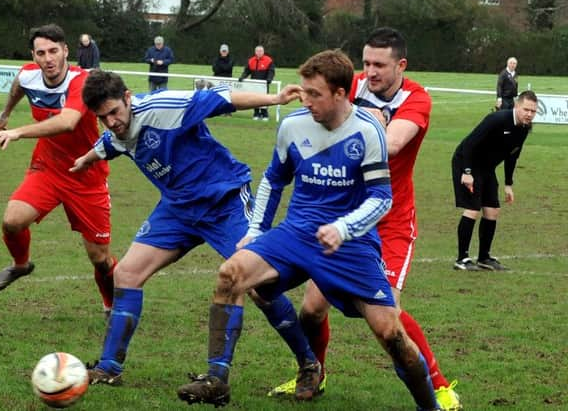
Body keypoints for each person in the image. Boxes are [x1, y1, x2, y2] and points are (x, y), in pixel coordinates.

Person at [177, 49, 441, 411]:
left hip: (351, 245)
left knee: (390, 332)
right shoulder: (293, 125)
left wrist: (344, 228)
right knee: (231, 274)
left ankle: (430, 406)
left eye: (314, 93)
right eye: (303, 91)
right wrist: (256, 231)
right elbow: (273, 180)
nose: (306, 99)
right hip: (297, 233)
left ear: (340, 94)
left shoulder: (368, 131)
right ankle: (216, 380)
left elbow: (382, 199)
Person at [266, 27, 462, 410]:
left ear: (400, 65)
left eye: (379, 65)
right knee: (311, 310)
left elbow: (391, 144)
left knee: (390, 317)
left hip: (389, 220)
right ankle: (313, 373)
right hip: (343, 219)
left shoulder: (416, 99)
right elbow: (319, 107)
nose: (369, 72)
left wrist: (366, 120)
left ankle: (437, 387)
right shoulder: (352, 86)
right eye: (366, 63)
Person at [71, 69, 303, 386]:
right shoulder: (116, 131)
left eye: (114, 112)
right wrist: (86, 159)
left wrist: (274, 98)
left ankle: (308, 364)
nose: (111, 121)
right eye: (103, 117)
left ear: (128, 98)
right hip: (178, 210)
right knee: (126, 274)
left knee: (258, 287)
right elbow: (110, 144)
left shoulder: (164, 106)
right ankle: (109, 368)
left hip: (224, 201)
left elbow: (223, 98)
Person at [0, 24, 117, 316]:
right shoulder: (28, 72)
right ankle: (21, 265)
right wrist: (5, 112)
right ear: (34, 55)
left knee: (99, 257)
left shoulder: (81, 81)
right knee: (12, 221)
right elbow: (20, 83)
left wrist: (18, 132)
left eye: (54, 51)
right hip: (48, 168)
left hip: (87, 174)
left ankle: (111, 305)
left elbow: (68, 122)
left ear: (66, 51)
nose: (48, 59)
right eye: (41, 53)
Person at [452, 90, 537, 272]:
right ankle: (462, 259)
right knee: (473, 209)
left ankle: (484, 257)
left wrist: (508, 184)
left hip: (487, 168)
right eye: (526, 110)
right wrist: (466, 172)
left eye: (533, 111)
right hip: (467, 162)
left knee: (492, 210)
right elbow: (469, 144)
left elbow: (513, 156)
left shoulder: (524, 128)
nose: (529, 114)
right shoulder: (497, 119)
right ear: (517, 106)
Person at [238, 45, 275, 121]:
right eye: (257, 51)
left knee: (264, 99)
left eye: (260, 51)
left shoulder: (268, 60)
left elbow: (271, 71)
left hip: (264, 84)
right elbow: (247, 71)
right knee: (255, 99)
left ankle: (265, 114)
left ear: (263, 52)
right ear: (255, 52)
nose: (259, 52)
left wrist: (269, 79)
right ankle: (256, 113)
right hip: (254, 84)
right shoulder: (251, 60)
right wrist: (243, 76)